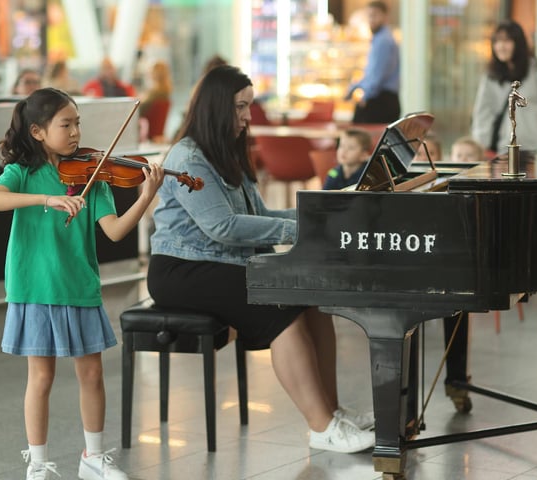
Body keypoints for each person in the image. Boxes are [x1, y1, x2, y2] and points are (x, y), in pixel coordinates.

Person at [147, 65, 376, 453]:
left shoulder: (226, 151)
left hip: (219, 263)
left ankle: (332, 412)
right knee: (280, 305)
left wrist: (319, 213)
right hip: (181, 270)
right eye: (240, 107)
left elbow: (261, 214)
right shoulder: (188, 157)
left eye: (248, 106)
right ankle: (321, 427)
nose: (247, 117)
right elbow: (222, 227)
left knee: (313, 301)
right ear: (217, 106)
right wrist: (299, 231)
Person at [0, 87, 165, 480]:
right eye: (65, 125)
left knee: (92, 374)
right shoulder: (22, 172)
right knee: (41, 378)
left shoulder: (93, 175)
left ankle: (93, 458)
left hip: (78, 283)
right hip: (35, 286)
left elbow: (114, 231)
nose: (76, 133)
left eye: (77, 123)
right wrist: (46, 200)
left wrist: (145, 197)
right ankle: (38, 463)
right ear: (37, 132)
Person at [471, 20, 537, 155]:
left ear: (518, 43)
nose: (501, 46)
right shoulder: (491, 76)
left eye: (507, 41)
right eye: (497, 41)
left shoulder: (536, 69)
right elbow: (482, 112)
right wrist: (481, 143)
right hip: (507, 148)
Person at [345, 1, 400, 124]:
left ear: (385, 17)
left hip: (381, 100)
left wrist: (366, 96)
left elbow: (377, 76)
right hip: (382, 98)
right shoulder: (379, 38)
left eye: (375, 15)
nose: (371, 20)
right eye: (369, 16)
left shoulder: (383, 41)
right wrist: (355, 87)